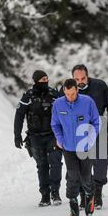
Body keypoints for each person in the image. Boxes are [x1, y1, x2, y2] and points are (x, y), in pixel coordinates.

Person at [61, 64, 108, 210]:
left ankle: (97, 192)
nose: (80, 81)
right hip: (78, 130)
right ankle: (84, 195)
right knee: (81, 163)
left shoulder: (100, 86)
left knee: (101, 161)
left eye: (83, 78)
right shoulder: (68, 90)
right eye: (76, 79)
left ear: (88, 76)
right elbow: (59, 111)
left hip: (99, 125)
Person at [51, 79, 100, 216]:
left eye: (73, 94)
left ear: (77, 90)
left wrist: (91, 139)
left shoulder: (87, 102)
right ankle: (73, 209)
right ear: (64, 92)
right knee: (72, 176)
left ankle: (90, 195)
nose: (70, 97)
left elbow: (96, 122)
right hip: (68, 147)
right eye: (67, 94)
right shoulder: (58, 104)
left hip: (85, 146)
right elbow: (55, 124)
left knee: (85, 176)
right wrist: (60, 139)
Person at [14, 70, 63, 207]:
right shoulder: (28, 96)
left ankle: (55, 193)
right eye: (42, 80)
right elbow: (19, 115)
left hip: (53, 135)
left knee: (55, 163)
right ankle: (45, 195)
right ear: (36, 81)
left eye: (46, 79)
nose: (45, 82)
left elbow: (65, 112)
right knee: (42, 165)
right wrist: (17, 135)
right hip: (35, 137)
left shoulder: (54, 95)